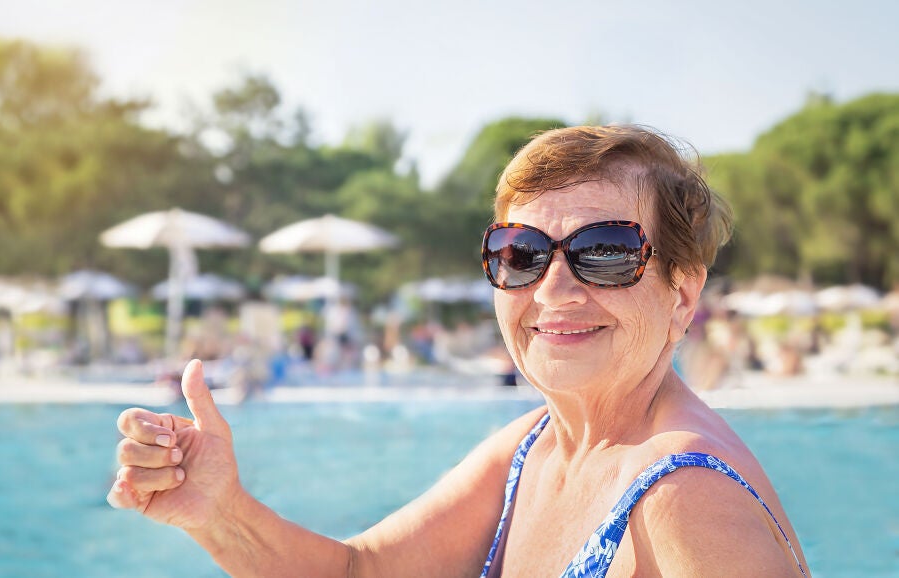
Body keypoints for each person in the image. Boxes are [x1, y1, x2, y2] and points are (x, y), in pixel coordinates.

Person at [107, 125, 808, 577]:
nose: (554, 288)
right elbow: (360, 573)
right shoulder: (533, 448)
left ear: (682, 293)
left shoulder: (686, 497)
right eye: (522, 254)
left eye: (604, 252)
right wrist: (218, 512)